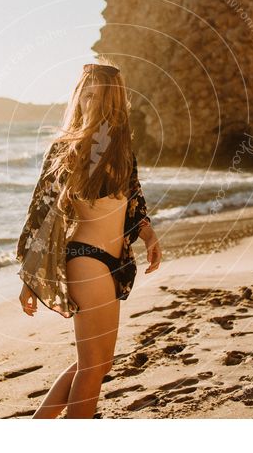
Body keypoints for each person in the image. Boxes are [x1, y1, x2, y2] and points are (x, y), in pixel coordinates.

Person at [15, 60, 162, 419]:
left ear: (115, 101)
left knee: (100, 364)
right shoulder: (67, 148)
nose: (90, 104)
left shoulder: (122, 148)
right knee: (92, 366)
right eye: (86, 96)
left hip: (114, 261)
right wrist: (29, 279)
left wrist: (147, 233)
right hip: (87, 258)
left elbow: (133, 197)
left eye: (100, 97)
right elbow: (40, 213)